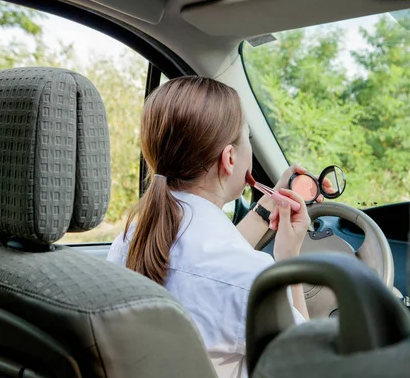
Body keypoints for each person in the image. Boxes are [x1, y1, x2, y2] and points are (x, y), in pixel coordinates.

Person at [106, 76, 312, 378]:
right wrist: (289, 261)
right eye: (248, 139)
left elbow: (205, 265)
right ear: (229, 158)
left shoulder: (129, 240)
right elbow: (309, 365)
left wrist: (264, 209)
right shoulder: (251, 279)